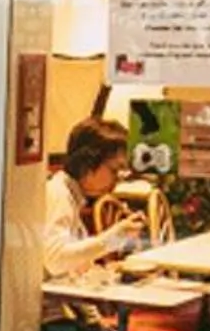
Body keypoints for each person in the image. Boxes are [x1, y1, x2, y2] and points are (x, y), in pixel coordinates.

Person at [42, 117, 142, 280]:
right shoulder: (58, 194)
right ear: (87, 165)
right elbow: (55, 260)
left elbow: (73, 259)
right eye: (114, 170)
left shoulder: (71, 195)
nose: (118, 178)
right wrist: (113, 238)